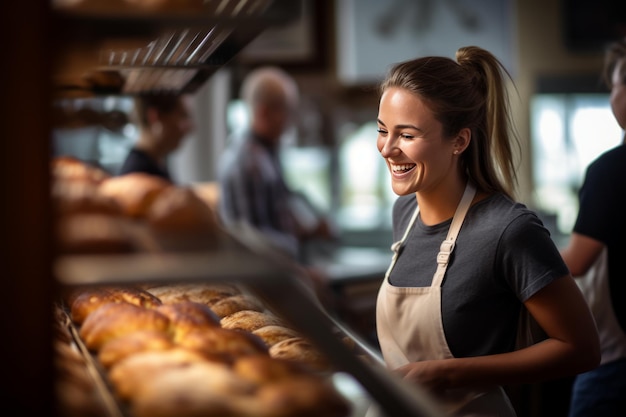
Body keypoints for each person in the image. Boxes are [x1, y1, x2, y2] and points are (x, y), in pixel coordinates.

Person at [374, 46, 600, 416]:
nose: (387, 149)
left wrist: (447, 374)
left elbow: (582, 348)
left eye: (407, 135)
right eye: (382, 130)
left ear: (459, 141)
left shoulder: (508, 230)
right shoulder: (405, 213)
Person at [217, 67, 334, 300]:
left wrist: (306, 230)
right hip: (263, 289)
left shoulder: (265, 153)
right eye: (288, 111)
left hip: (277, 279)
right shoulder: (246, 162)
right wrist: (299, 272)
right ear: (264, 112)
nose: (291, 120)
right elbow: (248, 241)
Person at [560, 37, 626, 417]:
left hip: (618, 357)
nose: (611, 95)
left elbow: (576, 262)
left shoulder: (612, 169)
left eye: (615, 84)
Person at [119, 93, 194, 182]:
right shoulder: (138, 175)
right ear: (155, 117)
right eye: (182, 116)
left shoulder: (155, 164)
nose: (190, 128)